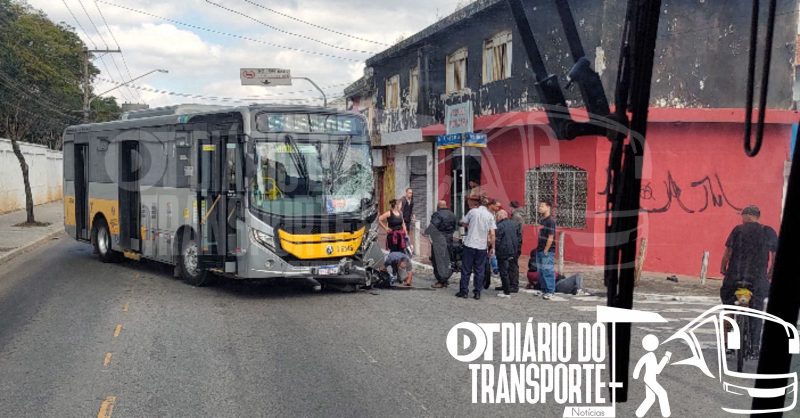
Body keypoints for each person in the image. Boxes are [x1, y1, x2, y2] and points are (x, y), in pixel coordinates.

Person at [719, 205, 777, 356]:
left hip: (735, 277)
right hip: (758, 279)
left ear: (748, 216)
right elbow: (774, 255)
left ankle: (729, 344)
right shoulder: (768, 231)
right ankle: (755, 347)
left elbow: (728, 252)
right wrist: (770, 272)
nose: (742, 219)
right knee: (757, 310)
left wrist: (723, 267)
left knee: (729, 308)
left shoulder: (738, 230)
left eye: (742, 216)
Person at [456, 197, 496, 300]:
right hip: (482, 246)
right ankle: (477, 292)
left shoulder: (472, 212)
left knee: (466, 269)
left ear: (477, 204)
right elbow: (492, 233)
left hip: (470, 244)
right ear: (487, 205)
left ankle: (464, 291)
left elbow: (464, 222)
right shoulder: (490, 216)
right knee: (479, 270)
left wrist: (468, 225)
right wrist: (492, 247)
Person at [429, 200, 457, 288]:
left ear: (438, 206)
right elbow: (454, 228)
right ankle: (445, 279)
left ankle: (441, 281)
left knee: (437, 261)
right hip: (449, 241)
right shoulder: (452, 215)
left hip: (439, 241)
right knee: (446, 261)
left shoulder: (437, 214)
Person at [494, 210, 520, 298]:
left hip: (503, 251)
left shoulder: (499, 226)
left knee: (503, 271)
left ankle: (507, 290)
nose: (496, 218)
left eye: (497, 216)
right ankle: (510, 285)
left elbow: (497, 240)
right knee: (512, 268)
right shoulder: (514, 224)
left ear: (500, 216)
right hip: (513, 250)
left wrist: (494, 249)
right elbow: (519, 237)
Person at [536, 200, 557, 300]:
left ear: (548, 207)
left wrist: (546, 249)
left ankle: (550, 291)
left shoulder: (550, 221)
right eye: (539, 206)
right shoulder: (542, 220)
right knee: (541, 271)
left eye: (542, 206)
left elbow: (551, 236)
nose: (540, 208)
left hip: (547, 250)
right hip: (539, 248)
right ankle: (543, 289)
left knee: (548, 270)